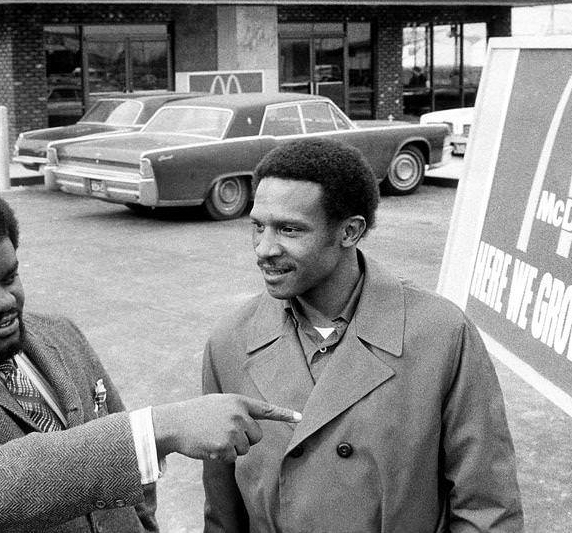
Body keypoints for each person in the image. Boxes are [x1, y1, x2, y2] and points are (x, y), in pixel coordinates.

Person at [0, 186, 299, 533]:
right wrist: (160, 428)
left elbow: (129, 476)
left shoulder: (57, 334)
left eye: (10, 277)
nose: (6, 302)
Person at [201, 139, 523, 532]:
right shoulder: (229, 342)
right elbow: (222, 515)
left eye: (289, 229)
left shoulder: (440, 334)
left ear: (350, 231)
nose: (264, 249)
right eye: (257, 226)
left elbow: (486, 510)